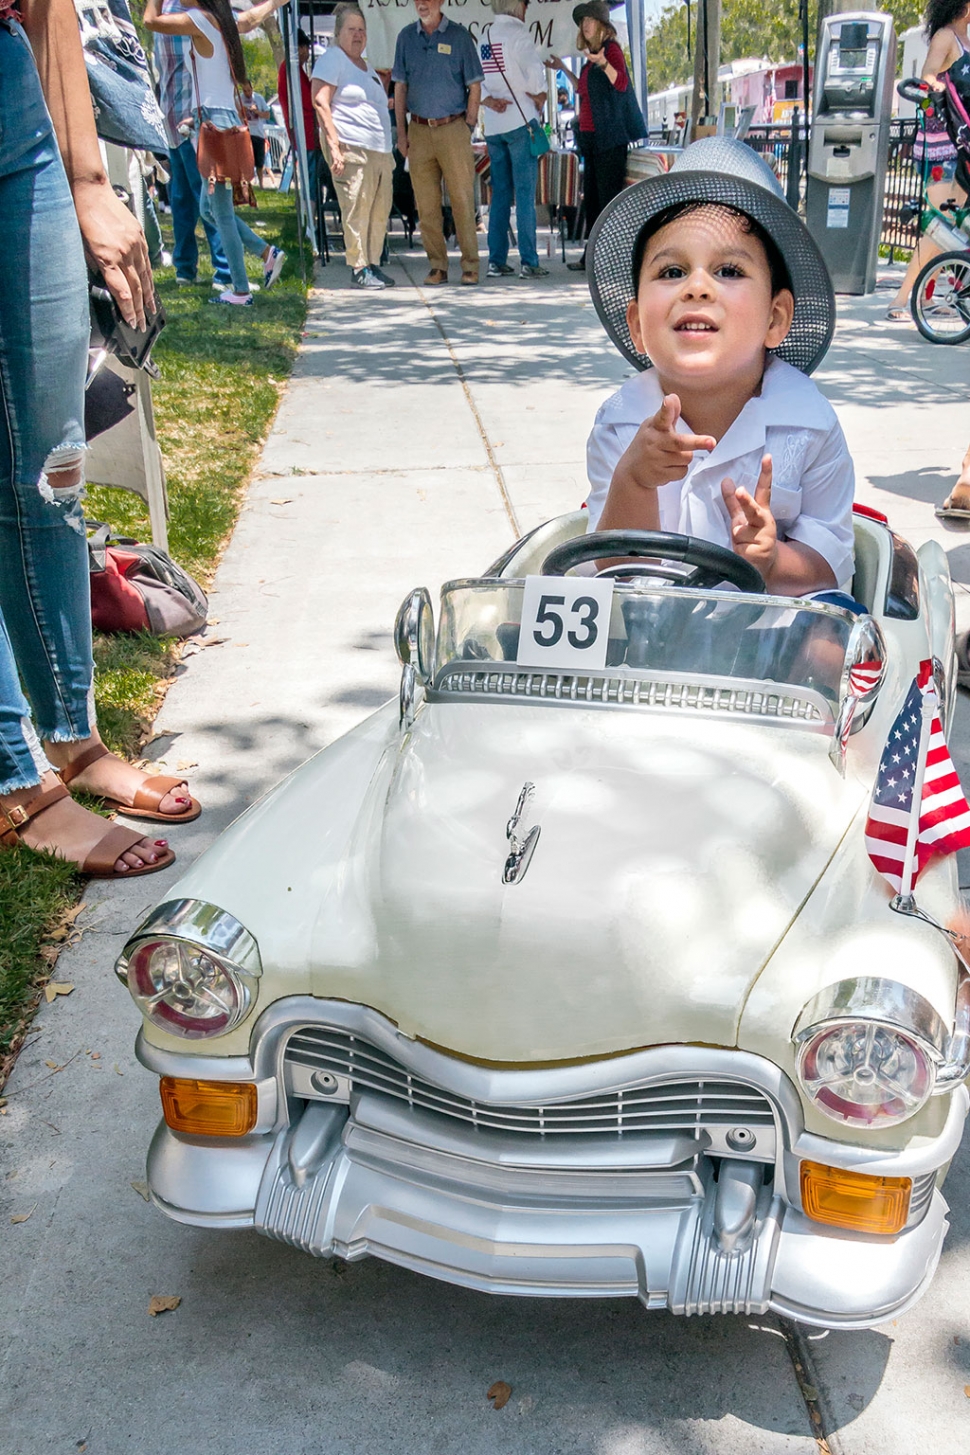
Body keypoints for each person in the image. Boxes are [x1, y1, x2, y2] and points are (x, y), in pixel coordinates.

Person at [1, 0, 201, 878]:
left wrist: (87, 178)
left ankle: (69, 734)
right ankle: (16, 779)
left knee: (50, 463)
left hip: (15, 90)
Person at [584, 138, 855, 599]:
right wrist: (634, 479)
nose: (697, 287)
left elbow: (829, 566)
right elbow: (613, 570)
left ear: (775, 319)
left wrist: (770, 559)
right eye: (671, 272)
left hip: (770, 634)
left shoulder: (810, 423)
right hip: (651, 632)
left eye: (729, 270)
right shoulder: (621, 421)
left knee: (833, 647)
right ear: (636, 325)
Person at [144, 0, 287, 306]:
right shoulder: (223, 20)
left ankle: (240, 289)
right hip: (216, 119)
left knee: (219, 212)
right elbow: (253, 16)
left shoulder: (198, 19)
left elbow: (150, 21)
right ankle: (266, 253)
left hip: (215, 123)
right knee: (209, 209)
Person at [886, 0, 970, 321]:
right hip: (944, 144)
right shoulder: (946, 37)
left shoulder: (967, 39)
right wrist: (935, 85)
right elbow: (928, 75)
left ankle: (945, 294)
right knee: (941, 225)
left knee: (954, 227)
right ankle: (900, 300)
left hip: (963, 146)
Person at [393, 0, 484, 286]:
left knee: (461, 199)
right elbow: (400, 86)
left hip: (453, 126)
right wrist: (401, 132)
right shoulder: (406, 37)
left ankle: (470, 265)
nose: (422, 4)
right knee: (426, 204)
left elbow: (475, 85)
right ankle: (437, 265)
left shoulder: (458, 36)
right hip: (418, 129)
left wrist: (468, 124)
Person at [552, 0, 645, 273]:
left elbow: (621, 82)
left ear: (603, 25)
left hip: (610, 140)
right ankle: (592, 257)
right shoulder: (590, 60)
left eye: (590, 21)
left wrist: (604, 62)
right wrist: (563, 67)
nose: (586, 25)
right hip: (592, 141)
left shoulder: (611, 51)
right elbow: (582, 89)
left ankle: (611, 260)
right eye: (583, 22)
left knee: (607, 201)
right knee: (592, 200)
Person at [312, 3, 395, 290]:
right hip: (352, 148)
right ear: (338, 33)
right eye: (351, 29)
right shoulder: (333, 59)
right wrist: (335, 147)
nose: (358, 35)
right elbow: (321, 101)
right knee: (356, 209)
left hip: (379, 151)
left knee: (378, 210)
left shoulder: (366, 65)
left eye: (362, 30)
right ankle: (359, 267)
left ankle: (371, 263)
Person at [154, 0, 233, 289]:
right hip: (192, 118)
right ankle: (224, 271)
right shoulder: (185, 13)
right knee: (209, 196)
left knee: (182, 199)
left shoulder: (164, 11)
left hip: (171, 115)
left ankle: (185, 268)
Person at [480, 0, 549, 280]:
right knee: (524, 194)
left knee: (500, 195)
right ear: (517, 6)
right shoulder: (519, 35)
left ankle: (496, 260)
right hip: (520, 119)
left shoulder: (484, 36)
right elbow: (536, 77)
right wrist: (540, 93)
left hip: (494, 123)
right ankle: (528, 260)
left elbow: (478, 78)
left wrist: (490, 100)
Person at [278, 28, 322, 198]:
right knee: (311, 177)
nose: (308, 53)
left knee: (312, 175)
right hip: (306, 133)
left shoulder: (294, 70)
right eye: (307, 49)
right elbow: (309, 101)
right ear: (301, 48)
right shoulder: (291, 70)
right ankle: (311, 212)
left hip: (306, 132)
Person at [242, 77, 271, 187]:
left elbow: (267, 114)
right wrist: (242, 111)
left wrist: (257, 111)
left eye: (249, 90)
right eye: (245, 91)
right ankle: (247, 184)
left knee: (260, 162)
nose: (247, 93)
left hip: (258, 134)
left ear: (252, 88)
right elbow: (236, 116)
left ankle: (261, 184)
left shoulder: (259, 98)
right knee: (246, 161)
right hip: (245, 134)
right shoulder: (238, 99)